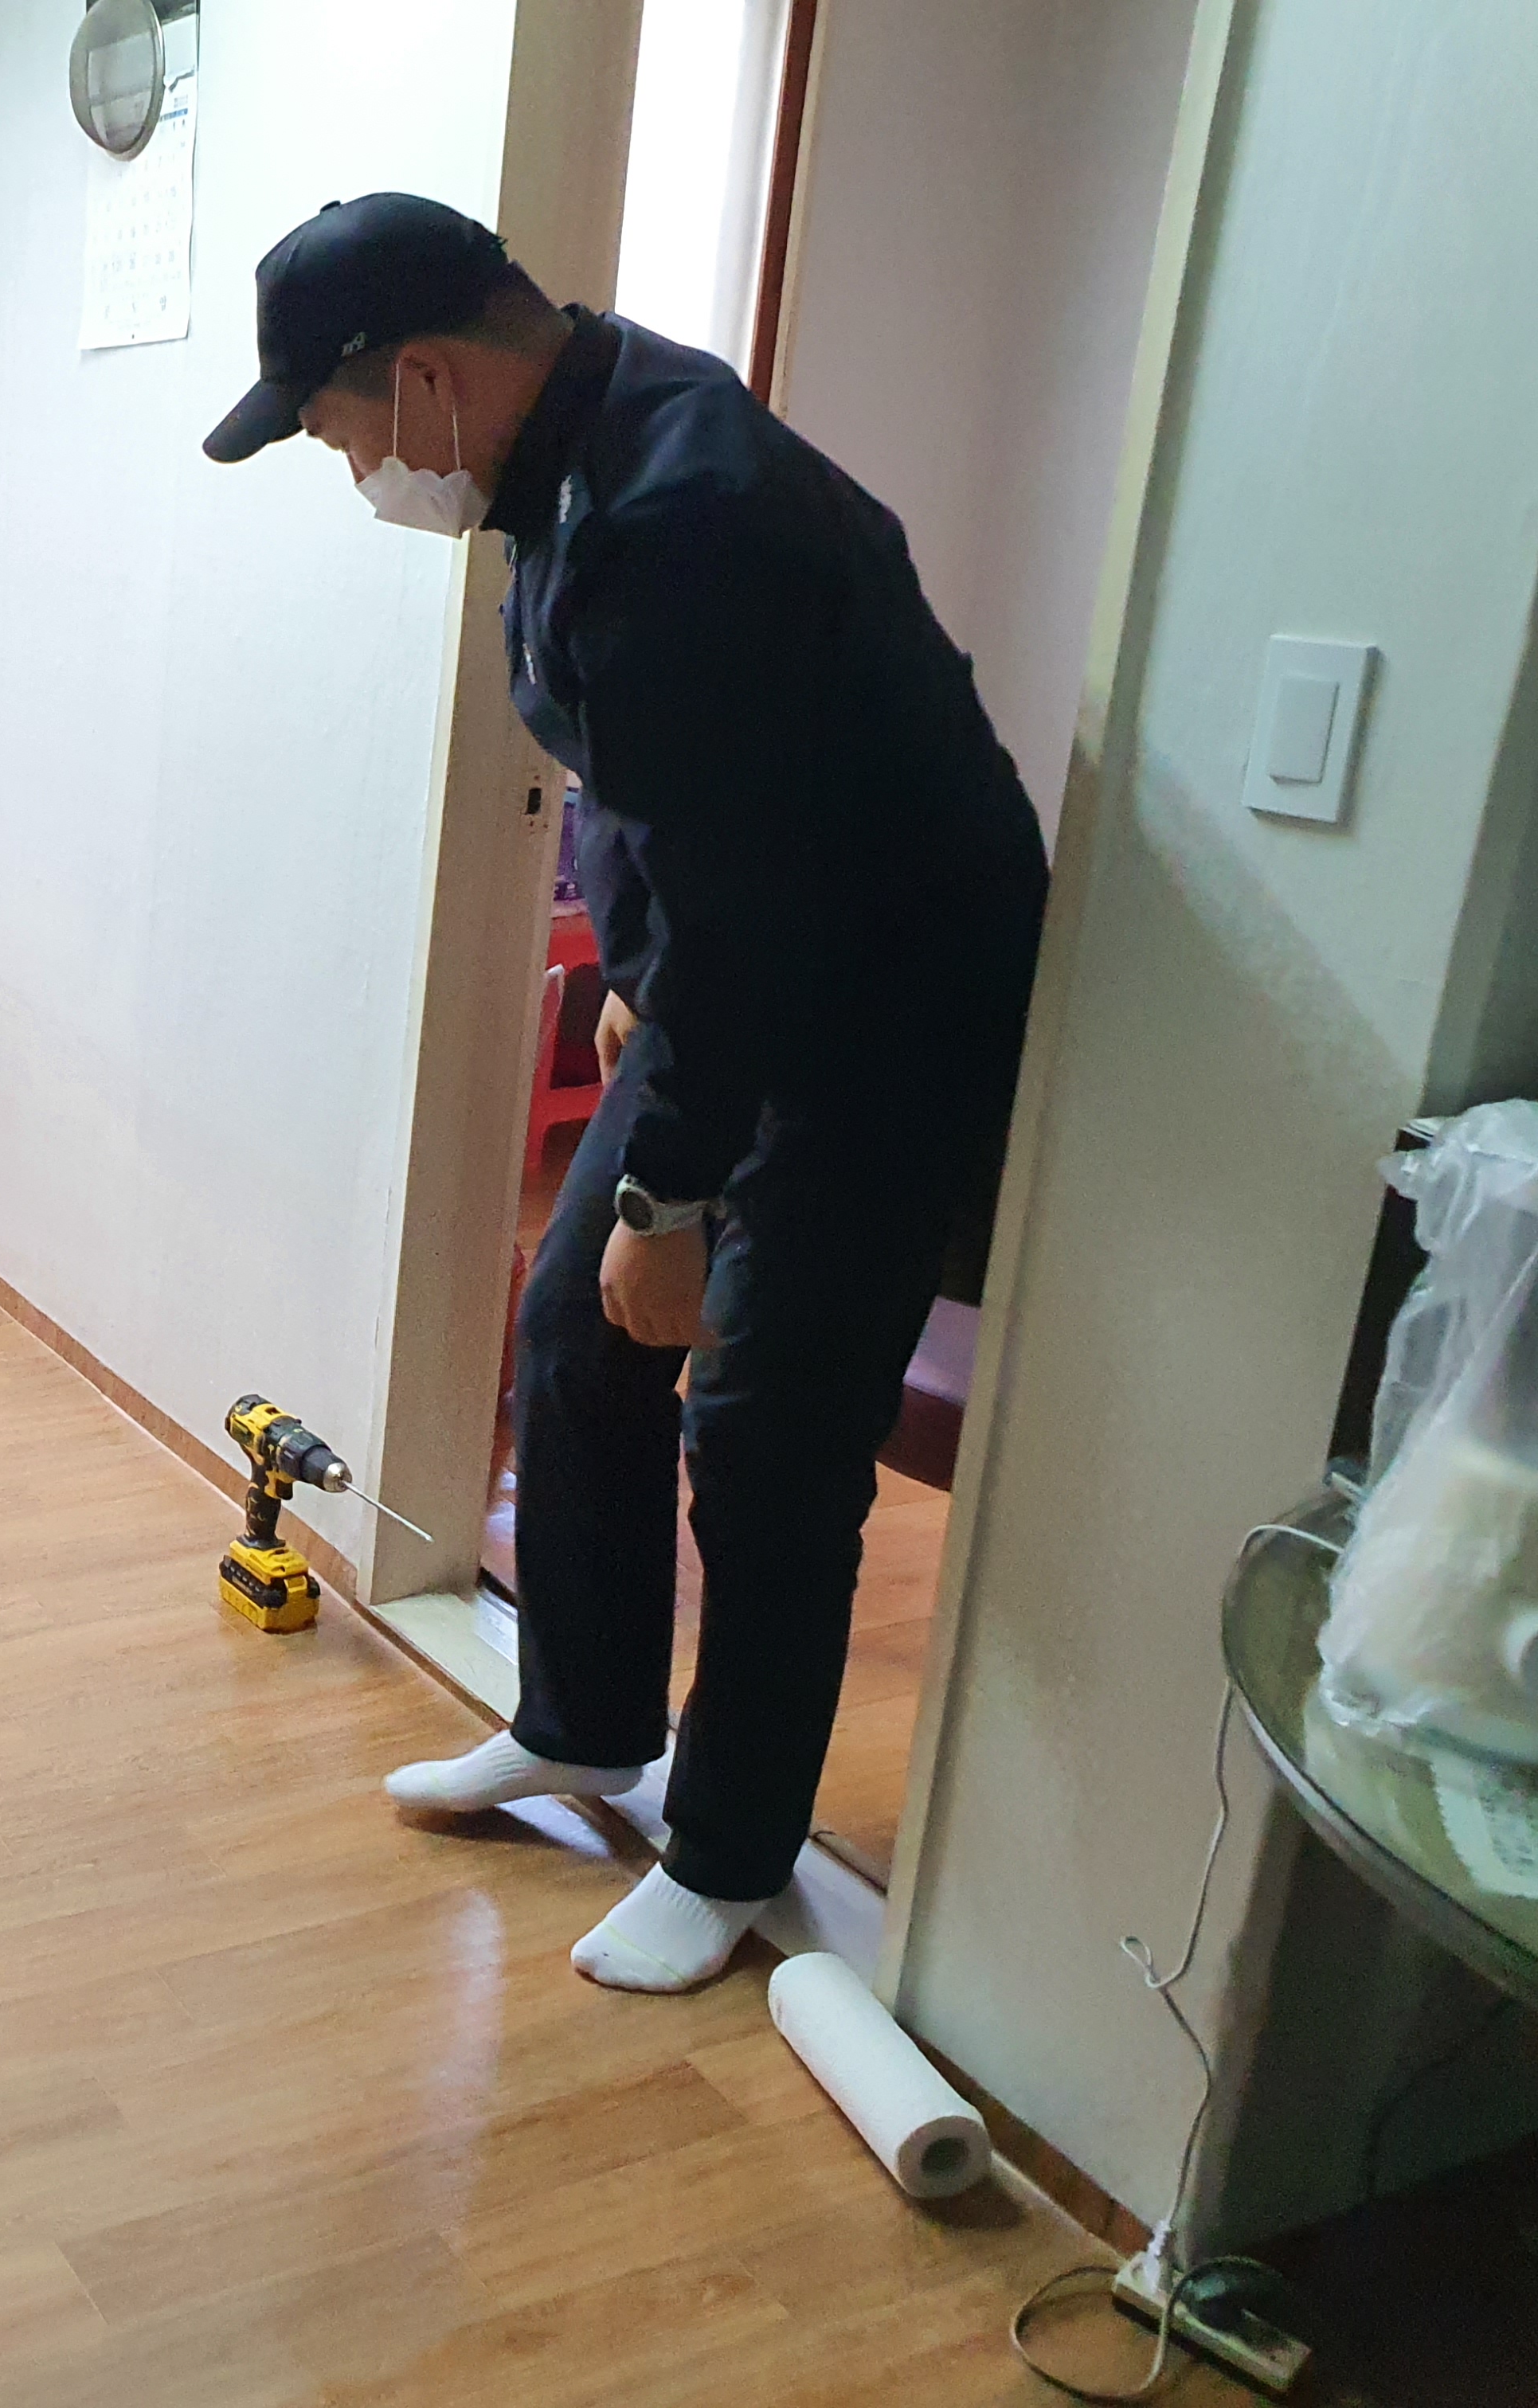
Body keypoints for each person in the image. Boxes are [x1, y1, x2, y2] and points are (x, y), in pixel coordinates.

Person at [204, 197, 1045, 1992]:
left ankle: (730, 1854)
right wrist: (642, 988)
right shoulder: (571, 463)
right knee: (574, 1337)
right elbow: (681, 805)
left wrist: (669, 1198)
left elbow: (763, 897)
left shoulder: (685, 513)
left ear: (425, 382)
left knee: (765, 1427)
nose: (353, 474)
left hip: (883, 1014)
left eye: (340, 433)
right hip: (744, 968)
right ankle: (585, 1723)